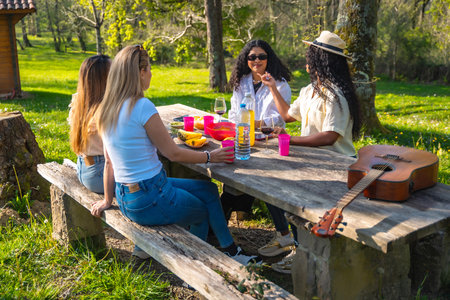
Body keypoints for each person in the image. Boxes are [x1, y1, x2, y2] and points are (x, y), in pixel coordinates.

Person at [90, 45, 260, 266]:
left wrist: (107, 199)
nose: (151, 73)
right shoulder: (142, 106)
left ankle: (230, 250)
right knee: (200, 214)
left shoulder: (106, 110)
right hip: (149, 196)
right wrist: (212, 157)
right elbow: (172, 153)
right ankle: (196, 268)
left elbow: (109, 163)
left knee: (208, 190)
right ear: (140, 72)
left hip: (125, 196)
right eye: (149, 68)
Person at [271, 30, 362, 274]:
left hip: (338, 165)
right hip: (312, 161)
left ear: (322, 60)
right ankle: (297, 248)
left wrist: (291, 141)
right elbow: (288, 115)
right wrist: (272, 87)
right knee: (273, 189)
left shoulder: (336, 95)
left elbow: (330, 136)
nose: (307, 62)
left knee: (306, 206)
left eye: (311, 57)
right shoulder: (309, 90)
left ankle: (305, 256)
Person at [222, 39, 297, 259]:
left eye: (261, 56)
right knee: (230, 180)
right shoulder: (241, 81)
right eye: (252, 57)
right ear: (246, 60)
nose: (257, 61)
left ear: (269, 58)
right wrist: (247, 124)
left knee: (269, 185)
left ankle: (285, 234)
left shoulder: (280, 84)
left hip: (269, 144)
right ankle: (217, 227)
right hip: (242, 140)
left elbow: (280, 121)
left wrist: (252, 123)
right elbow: (234, 115)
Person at [69, 54, 111, 194]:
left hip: (85, 168)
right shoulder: (103, 110)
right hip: (100, 174)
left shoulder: (81, 102)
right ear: (104, 79)